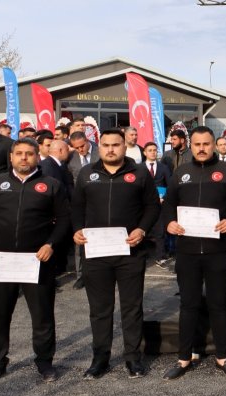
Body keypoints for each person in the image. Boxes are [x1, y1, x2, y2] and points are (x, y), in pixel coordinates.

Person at [161, 126, 226, 380]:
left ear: (214, 145)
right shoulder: (181, 173)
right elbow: (169, 204)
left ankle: (223, 357)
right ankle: (183, 357)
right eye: (197, 144)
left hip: (217, 250)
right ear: (191, 146)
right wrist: (169, 223)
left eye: (206, 144)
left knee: (218, 304)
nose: (202, 148)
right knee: (188, 304)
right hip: (187, 251)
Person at [0, 138, 70, 384]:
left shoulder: (51, 185)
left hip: (37, 261)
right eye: (19, 153)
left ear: (37, 156)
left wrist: (51, 244)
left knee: (42, 315)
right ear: (11, 157)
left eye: (29, 153)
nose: (24, 158)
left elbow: (64, 220)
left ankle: (44, 362)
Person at [71, 128, 160, 380]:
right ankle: (100, 358)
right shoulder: (87, 174)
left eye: (116, 145)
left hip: (130, 251)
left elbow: (152, 206)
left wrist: (142, 229)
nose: (111, 149)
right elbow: (76, 207)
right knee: (100, 308)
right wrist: (77, 230)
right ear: (99, 147)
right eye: (106, 145)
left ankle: (133, 358)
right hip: (96, 252)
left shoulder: (139, 172)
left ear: (125, 147)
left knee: (132, 307)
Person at [67, 131, 99, 290]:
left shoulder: (100, 153)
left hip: (99, 203)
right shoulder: (70, 158)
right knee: (80, 239)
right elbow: (68, 181)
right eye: (77, 148)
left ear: (87, 141)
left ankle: (98, 273)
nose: (81, 150)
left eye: (82, 146)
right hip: (80, 205)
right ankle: (80, 276)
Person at [41, 139, 74, 275]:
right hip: (53, 212)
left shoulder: (59, 165)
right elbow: (51, 191)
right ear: (61, 150)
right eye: (67, 150)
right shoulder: (48, 166)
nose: (69, 153)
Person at [139, 142, 171, 268]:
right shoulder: (139, 168)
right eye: (150, 150)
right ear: (145, 153)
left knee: (160, 231)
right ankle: (142, 254)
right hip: (143, 205)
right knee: (142, 229)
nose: (153, 152)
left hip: (160, 204)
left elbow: (169, 185)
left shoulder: (164, 168)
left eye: (154, 150)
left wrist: (164, 197)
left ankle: (160, 257)